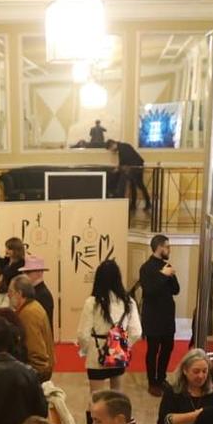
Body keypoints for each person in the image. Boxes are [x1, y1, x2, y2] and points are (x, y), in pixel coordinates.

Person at [80, 259, 142, 389]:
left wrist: (86, 350)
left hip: (96, 353)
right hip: (118, 353)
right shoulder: (128, 302)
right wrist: (124, 345)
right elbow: (136, 332)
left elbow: (83, 334)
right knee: (116, 397)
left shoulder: (91, 302)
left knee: (96, 397)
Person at [137, 234, 181, 395]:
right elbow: (149, 291)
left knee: (168, 348)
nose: (169, 250)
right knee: (153, 349)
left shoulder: (167, 265)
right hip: (153, 316)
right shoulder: (146, 268)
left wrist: (170, 275)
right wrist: (163, 276)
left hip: (167, 316)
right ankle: (152, 382)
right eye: (167, 247)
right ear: (159, 247)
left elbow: (176, 290)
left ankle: (162, 378)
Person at [10, 275, 55, 377]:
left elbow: (35, 349)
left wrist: (33, 374)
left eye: (11, 292)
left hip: (37, 371)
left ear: (19, 293)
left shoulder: (28, 313)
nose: (8, 295)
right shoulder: (33, 306)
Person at [106, 138, 152, 217]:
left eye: (111, 149)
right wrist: (119, 167)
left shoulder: (122, 148)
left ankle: (146, 203)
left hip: (136, 168)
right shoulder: (124, 146)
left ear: (112, 145)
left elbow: (124, 161)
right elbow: (124, 161)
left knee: (139, 185)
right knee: (134, 186)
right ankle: (135, 205)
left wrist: (118, 168)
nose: (112, 151)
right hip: (136, 167)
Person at [21, 254, 57, 330]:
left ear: (39, 272)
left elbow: (43, 324)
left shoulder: (43, 295)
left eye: (28, 272)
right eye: (24, 272)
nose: (24, 275)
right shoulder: (34, 291)